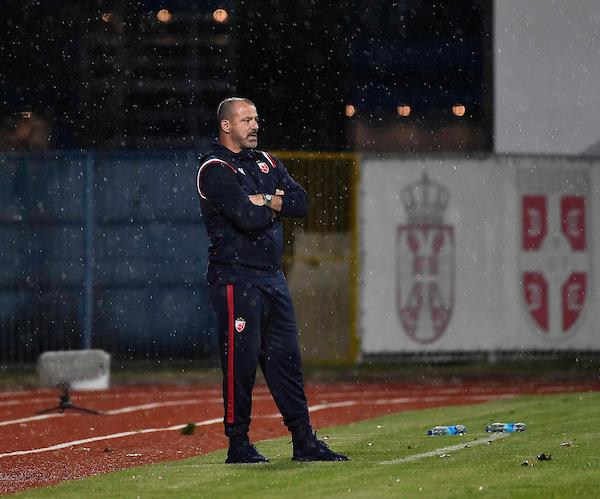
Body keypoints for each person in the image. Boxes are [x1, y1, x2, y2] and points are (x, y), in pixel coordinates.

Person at [196, 97, 349, 464]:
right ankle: (238, 444)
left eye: (256, 119)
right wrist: (273, 202)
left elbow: (301, 203)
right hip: (236, 278)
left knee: (286, 361)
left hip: (271, 278)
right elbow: (244, 217)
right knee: (241, 364)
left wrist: (262, 199)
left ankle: (304, 441)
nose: (255, 126)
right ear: (226, 126)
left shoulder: (266, 161)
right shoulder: (214, 168)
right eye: (246, 120)